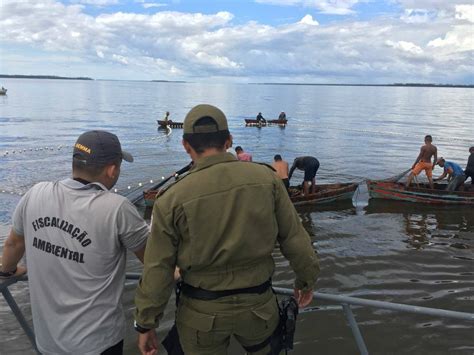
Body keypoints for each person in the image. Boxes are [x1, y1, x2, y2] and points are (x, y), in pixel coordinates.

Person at [134, 104, 319, 355]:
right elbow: (295, 240)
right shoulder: (268, 181)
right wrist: (306, 281)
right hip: (259, 308)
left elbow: (158, 267)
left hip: (200, 315)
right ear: (229, 140)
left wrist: (146, 323)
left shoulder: (170, 198)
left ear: (186, 146)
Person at [0, 130, 149, 354]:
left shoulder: (35, 193)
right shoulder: (117, 208)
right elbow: (154, 261)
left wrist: (8, 271)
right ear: (112, 169)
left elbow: (13, 244)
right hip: (98, 345)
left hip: (47, 342)